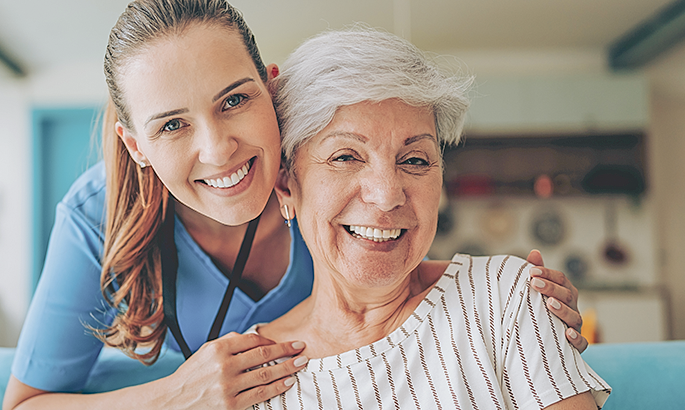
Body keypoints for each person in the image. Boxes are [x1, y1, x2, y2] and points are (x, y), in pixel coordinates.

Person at [3, 1, 588, 409]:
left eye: (234, 100)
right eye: (173, 124)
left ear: (271, 89)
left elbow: (380, 256)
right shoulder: (94, 217)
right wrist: (176, 396)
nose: (218, 148)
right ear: (138, 148)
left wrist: (499, 292)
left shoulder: (313, 170)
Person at [250, 27, 610, 409]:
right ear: (286, 184)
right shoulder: (245, 374)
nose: (387, 195)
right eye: (346, 157)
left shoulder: (504, 296)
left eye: (415, 160)